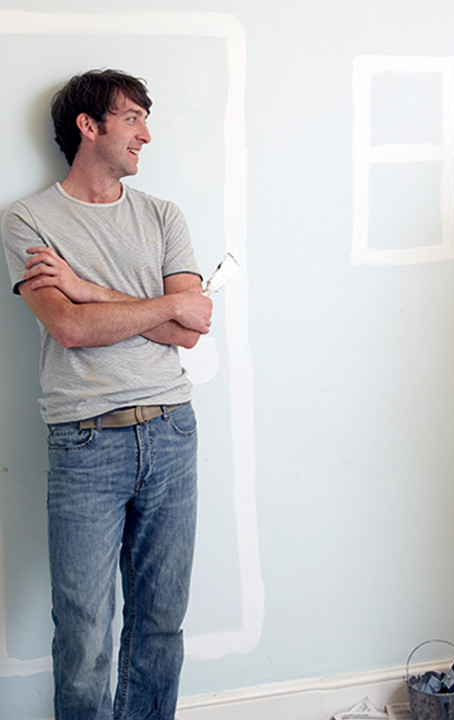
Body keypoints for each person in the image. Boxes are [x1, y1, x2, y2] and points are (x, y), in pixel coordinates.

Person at [1, 69, 213, 719]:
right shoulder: (29, 220)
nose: (145, 135)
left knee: (160, 627)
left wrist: (92, 290)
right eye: (131, 119)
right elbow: (69, 328)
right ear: (88, 127)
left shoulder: (162, 215)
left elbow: (197, 324)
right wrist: (157, 310)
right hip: (85, 439)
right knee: (87, 633)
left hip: (172, 432)